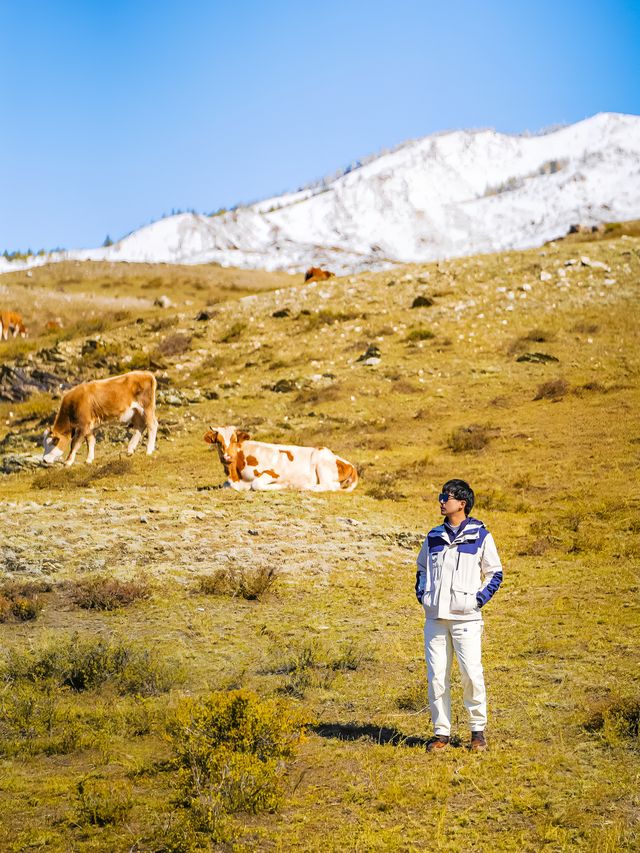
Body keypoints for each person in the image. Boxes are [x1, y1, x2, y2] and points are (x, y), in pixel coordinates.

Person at [415, 479, 503, 752]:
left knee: (471, 674)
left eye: (446, 497)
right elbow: (421, 571)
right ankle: (441, 734)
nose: (441, 501)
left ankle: (477, 732)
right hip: (435, 620)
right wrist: (424, 596)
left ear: (462, 503)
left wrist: (476, 600)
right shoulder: (432, 537)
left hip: (466, 619)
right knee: (436, 676)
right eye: (441, 496)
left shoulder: (481, 536)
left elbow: (494, 573)